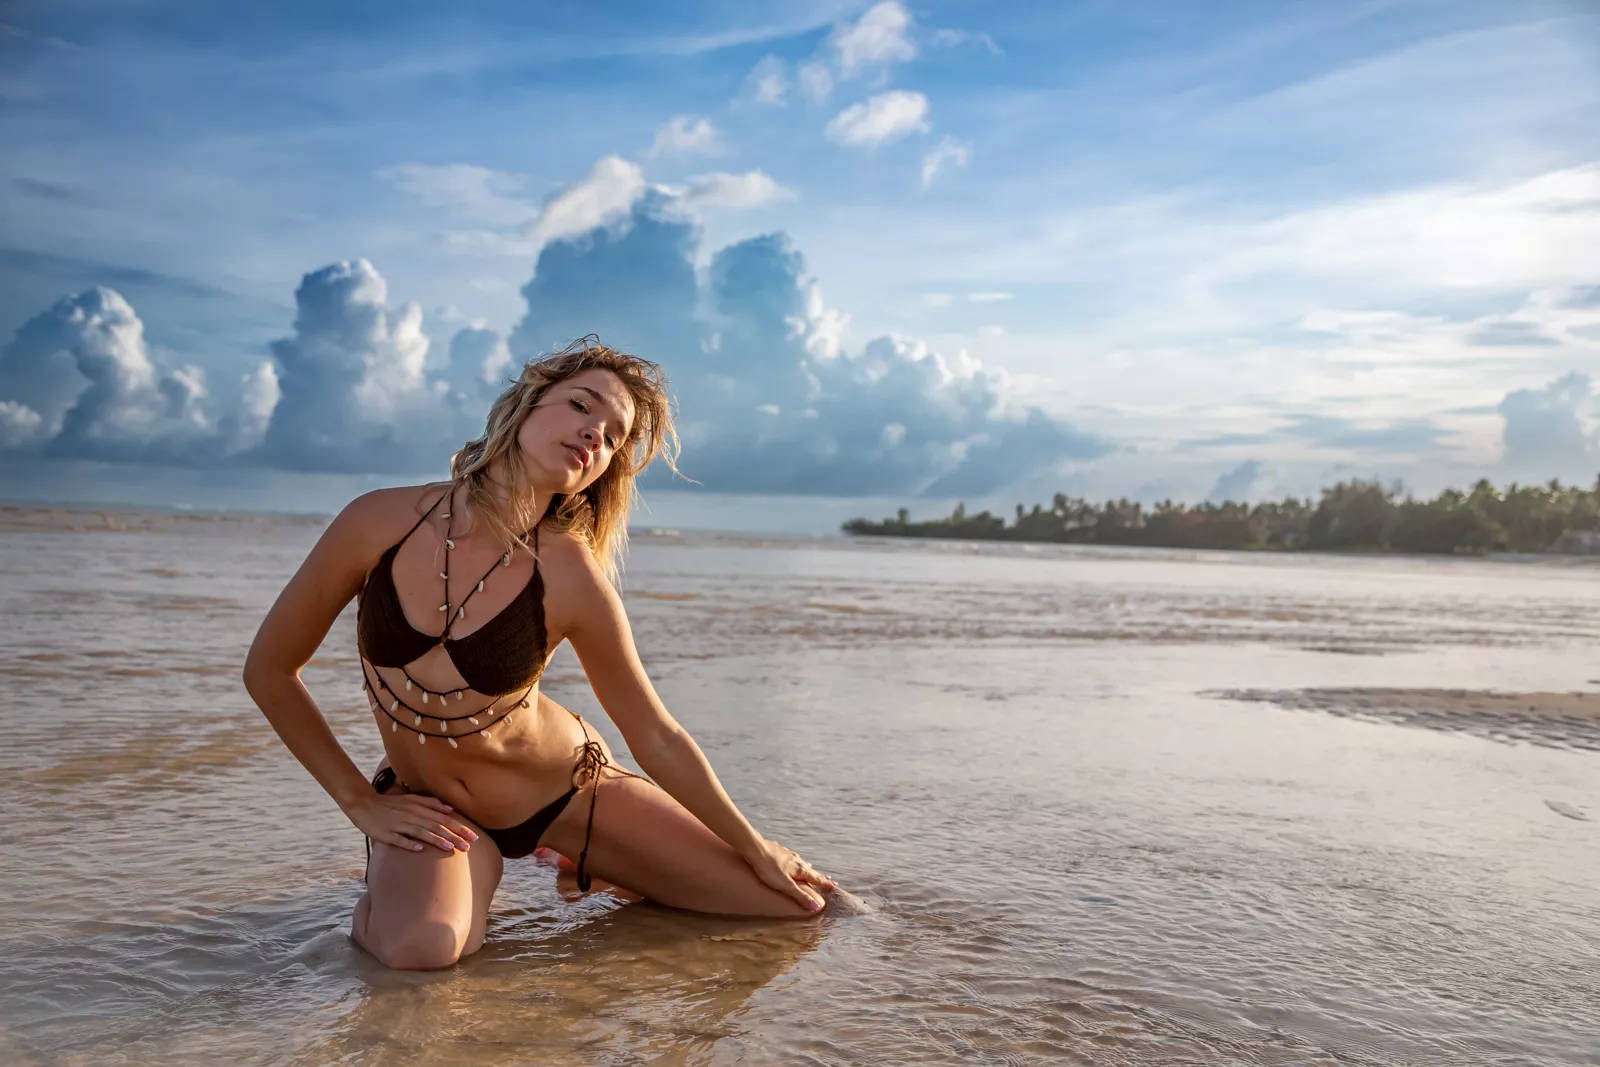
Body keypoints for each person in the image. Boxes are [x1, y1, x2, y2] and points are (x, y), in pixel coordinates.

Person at [243, 337, 835, 971]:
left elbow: (656, 736)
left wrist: (754, 846)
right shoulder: (378, 521)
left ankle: (593, 864)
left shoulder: (572, 575)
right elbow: (270, 671)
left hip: (570, 793)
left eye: (612, 438)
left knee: (792, 909)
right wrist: (359, 800)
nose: (593, 436)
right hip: (438, 808)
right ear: (524, 406)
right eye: (581, 406)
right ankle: (471, 879)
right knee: (421, 951)